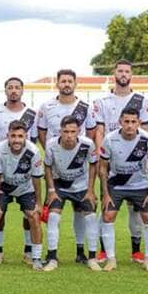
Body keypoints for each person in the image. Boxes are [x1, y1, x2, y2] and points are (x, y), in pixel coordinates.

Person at [93, 60, 148, 264]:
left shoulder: (141, 100)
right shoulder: (102, 101)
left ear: (131, 74)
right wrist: (103, 155)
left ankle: (136, 250)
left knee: (136, 210)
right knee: (107, 206)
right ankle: (103, 251)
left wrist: (142, 156)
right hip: (111, 156)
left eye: (127, 71)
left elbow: (145, 130)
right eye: (120, 71)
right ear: (114, 73)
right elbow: (99, 129)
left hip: (135, 158)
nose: (124, 74)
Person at [36, 69, 97, 263]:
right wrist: (55, 152)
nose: (66, 84)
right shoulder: (47, 107)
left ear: (75, 84)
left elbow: (92, 132)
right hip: (58, 172)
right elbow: (42, 132)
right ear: (58, 84)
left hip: (79, 171)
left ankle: (83, 254)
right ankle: (52, 256)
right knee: (53, 216)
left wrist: (77, 152)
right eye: (63, 81)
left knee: (83, 213)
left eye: (70, 81)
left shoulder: (85, 107)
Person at [98, 107, 148, 272]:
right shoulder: (109, 139)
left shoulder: (147, 139)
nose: (130, 125)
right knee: (108, 216)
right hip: (116, 184)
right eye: (126, 122)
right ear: (120, 122)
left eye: (133, 122)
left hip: (140, 185)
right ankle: (111, 259)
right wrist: (105, 193)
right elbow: (102, 168)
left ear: (139, 123)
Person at [0, 77, 37, 264]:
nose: (13, 90)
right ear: (5, 90)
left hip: (24, 172)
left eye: (17, 88)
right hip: (3, 167)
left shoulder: (31, 113)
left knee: (28, 212)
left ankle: (29, 250)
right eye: (10, 87)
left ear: (22, 90)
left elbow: (34, 141)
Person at [0, 121, 45, 270]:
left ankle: (35, 257)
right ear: (7, 136)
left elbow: (37, 179)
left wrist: (39, 203)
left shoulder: (34, 151)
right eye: (13, 136)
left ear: (26, 136)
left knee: (34, 216)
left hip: (25, 188)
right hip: (4, 187)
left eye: (20, 136)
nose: (16, 140)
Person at [42, 116, 100, 270]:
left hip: (81, 186)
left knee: (90, 217)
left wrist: (90, 190)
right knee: (53, 217)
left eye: (72, 131)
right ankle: (52, 257)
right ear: (60, 131)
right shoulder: (51, 144)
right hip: (59, 184)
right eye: (65, 131)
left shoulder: (87, 144)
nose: (69, 135)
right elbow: (47, 166)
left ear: (78, 132)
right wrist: (51, 190)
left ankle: (89, 256)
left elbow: (94, 165)